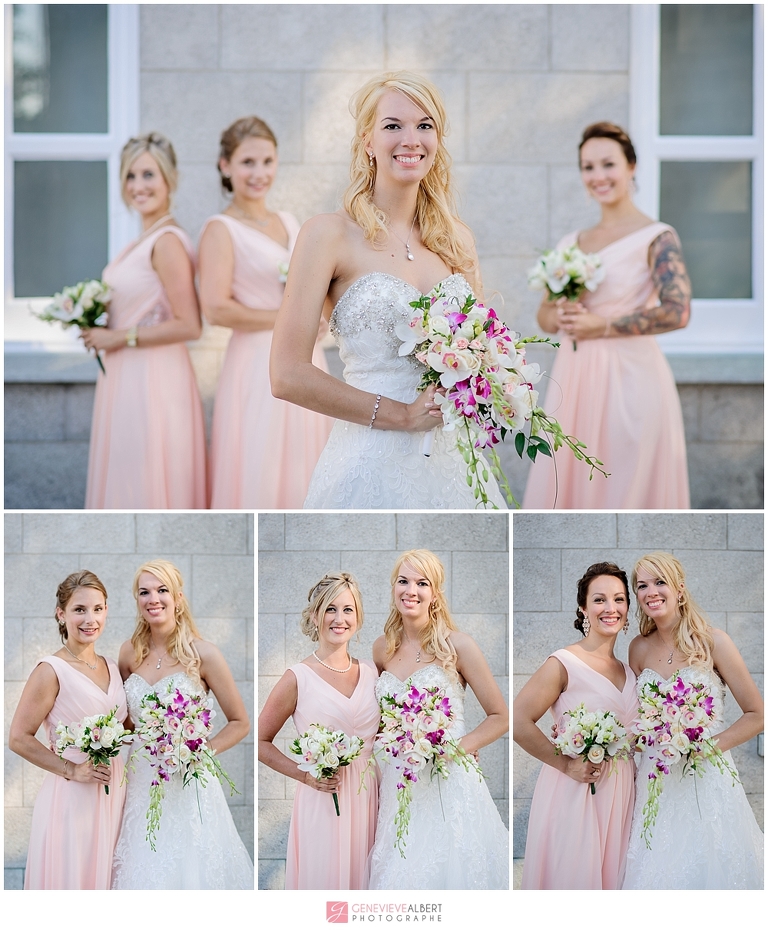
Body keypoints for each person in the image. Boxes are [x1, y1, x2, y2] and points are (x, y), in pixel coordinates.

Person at [270, 72, 505, 508]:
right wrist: (400, 415)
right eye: (393, 125)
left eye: (425, 125)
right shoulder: (327, 235)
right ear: (367, 142)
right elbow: (286, 375)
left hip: (454, 465)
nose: (410, 139)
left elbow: (478, 363)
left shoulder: (456, 241)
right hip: (366, 460)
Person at [523, 122, 691, 509]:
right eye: (588, 167)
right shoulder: (572, 244)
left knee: (624, 482)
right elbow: (545, 317)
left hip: (630, 379)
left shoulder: (657, 237)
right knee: (571, 479)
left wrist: (605, 325)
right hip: (576, 380)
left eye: (607, 164)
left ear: (631, 166)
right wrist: (561, 313)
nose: (597, 176)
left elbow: (678, 311)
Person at [198, 117, 332, 508]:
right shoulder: (220, 229)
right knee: (263, 459)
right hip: (257, 364)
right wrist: (291, 318)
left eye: (267, 162)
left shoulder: (290, 223)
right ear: (225, 166)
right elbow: (216, 308)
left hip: (310, 356)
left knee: (310, 462)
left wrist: (319, 312)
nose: (259, 173)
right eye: (247, 163)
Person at [368, 550, 508, 888]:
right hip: (399, 782)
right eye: (403, 581)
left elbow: (501, 716)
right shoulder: (380, 649)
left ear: (435, 593)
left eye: (421, 583)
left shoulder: (458, 645)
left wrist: (460, 747)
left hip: (450, 781)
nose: (410, 590)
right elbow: (382, 723)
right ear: (393, 587)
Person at [623, 552, 763, 889]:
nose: (651, 591)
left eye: (660, 582)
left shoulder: (714, 641)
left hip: (707, 775)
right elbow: (637, 719)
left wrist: (706, 747)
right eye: (642, 585)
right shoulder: (637, 649)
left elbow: (757, 715)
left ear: (680, 589)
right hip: (657, 778)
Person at [82, 132, 207, 509]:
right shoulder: (138, 241)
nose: (139, 186)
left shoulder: (166, 242)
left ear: (169, 179)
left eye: (148, 175)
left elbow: (191, 324)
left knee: (144, 479)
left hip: (152, 381)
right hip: (125, 378)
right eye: (131, 176)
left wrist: (118, 337)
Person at [112, 560, 253, 889]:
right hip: (141, 782)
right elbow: (129, 724)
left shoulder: (203, 654)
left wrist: (196, 752)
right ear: (136, 600)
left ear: (177, 597)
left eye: (162, 590)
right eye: (144, 592)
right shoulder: (128, 653)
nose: (153, 599)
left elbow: (240, 722)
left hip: (188, 783)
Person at [514, 562, 637, 889]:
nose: (610, 608)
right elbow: (517, 720)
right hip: (576, 791)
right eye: (599, 600)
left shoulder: (631, 671)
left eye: (619, 599)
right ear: (583, 608)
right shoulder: (563, 663)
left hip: (622, 794)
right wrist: (565, 764)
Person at [258, 572, 379, 889]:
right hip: (323, 799)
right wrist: (305, 775)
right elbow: (259, 741)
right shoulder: (297, 677)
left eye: (348, 609)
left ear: (359, 617)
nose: (340, 619)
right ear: (315, 616)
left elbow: (403, 723)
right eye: (330, 609)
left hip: (372, 798)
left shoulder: (373, 671)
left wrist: (452, 742)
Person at [9, 571, 127, 889]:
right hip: (73, 798)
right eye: (79, 610)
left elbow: (128, 728)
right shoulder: (50, 670)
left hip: (113, 794)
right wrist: (73, 770)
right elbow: (18, 737)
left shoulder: (113, 667)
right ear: (61, 614)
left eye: (98, 609)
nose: (90, 619)